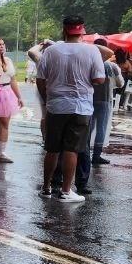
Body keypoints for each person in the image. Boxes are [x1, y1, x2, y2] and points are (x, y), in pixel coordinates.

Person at [34, 17, 105, 202]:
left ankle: (46, 187)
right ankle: (66, 191)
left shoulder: (51, 51)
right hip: (80, 107)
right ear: (82, 32)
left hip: (55, 106)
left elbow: (40, 79)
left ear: (64, 31)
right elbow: (99, 79)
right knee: (71, 150)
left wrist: (47, 97)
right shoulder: (92, 50)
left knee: (52, 149)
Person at [89, 36, 125, 165]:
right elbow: (120, 83)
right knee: (101, 128)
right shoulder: (111, 66)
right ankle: (97, 155)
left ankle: (84, 153)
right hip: (105, 100)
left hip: (88, 99)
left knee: (88, 127)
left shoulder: (89, 63)